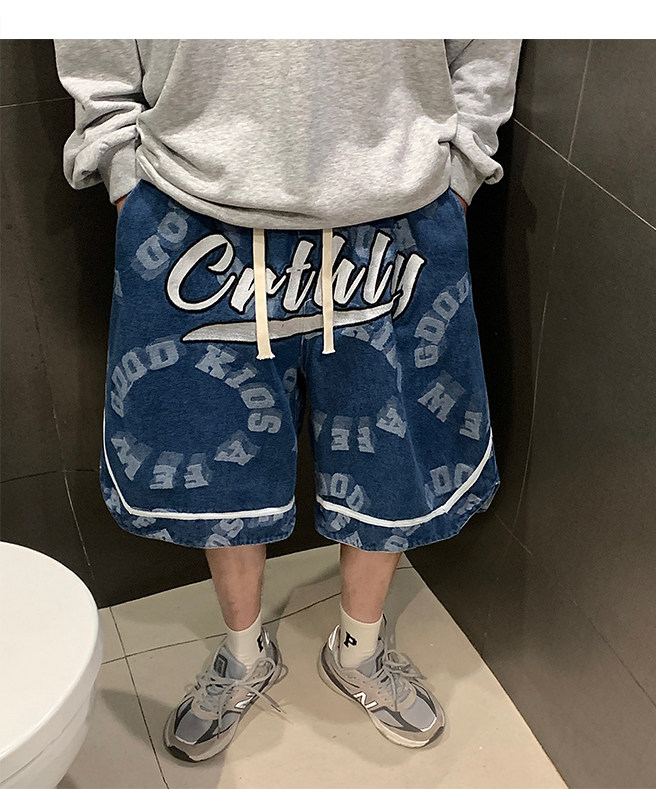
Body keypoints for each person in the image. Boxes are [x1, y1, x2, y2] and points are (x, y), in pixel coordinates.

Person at [53, 38, 521, 761]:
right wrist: (121, 165)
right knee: (217, 464)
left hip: (398, 200)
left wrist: (461, 165)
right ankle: (244, 655)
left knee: (390, 465)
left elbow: (489, 36)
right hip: (191, 203)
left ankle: (359, 650)